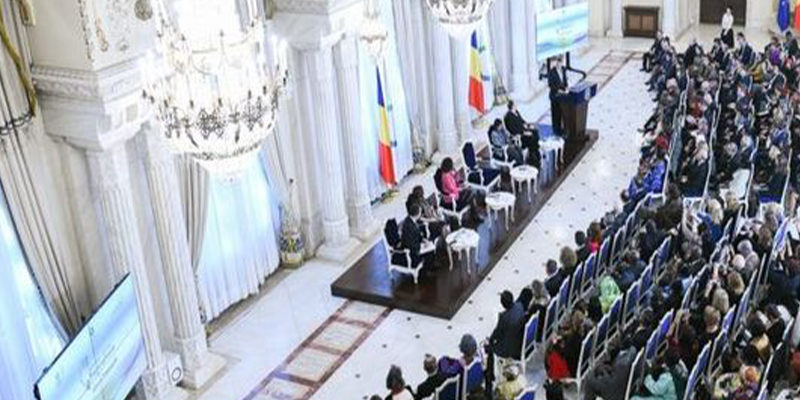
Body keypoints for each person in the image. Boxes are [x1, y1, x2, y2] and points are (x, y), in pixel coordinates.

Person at [503, 101, 541, 167]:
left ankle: (535, 151)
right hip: (518, 134)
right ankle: (533, 154)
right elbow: (513, 129)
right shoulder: (508, 117)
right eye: (515, 104)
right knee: (531, 137)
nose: (516, 105)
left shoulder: (516, 112)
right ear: (512, 106)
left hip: (523, 129)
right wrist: (524, 133)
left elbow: (522, 120)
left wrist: (528, 125)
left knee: (535, 131)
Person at [490, 291, 525, 360]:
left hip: (509, 350)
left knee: (490, 347)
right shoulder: (520, 306)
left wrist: (490, 341)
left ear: (503, 305)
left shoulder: (504, 317)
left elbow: (497, 334)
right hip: (520, 340)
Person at [401, 202, 435, 268]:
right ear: (417, 214)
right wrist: (422, 246)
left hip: (416, 243)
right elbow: (410, 243)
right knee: (429, 251)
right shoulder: (408, 226)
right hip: (412, 250)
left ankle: (431, 266)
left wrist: (423, 240)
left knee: (431, 244)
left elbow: (417, 235)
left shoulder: (411, 220)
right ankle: (428, 269)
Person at [548, 56, 569, 137]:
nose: (560, 64)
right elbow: (550, 84)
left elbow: (565, 80)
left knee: (563, 113)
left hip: (563, 96)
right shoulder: (551, 72)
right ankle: (556, 130)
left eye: (561, 62)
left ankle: (563, 130)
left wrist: (566, 87)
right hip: (555, 96)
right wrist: (558, 90)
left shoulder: (563, 69)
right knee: (556, 114)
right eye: (558, 62)